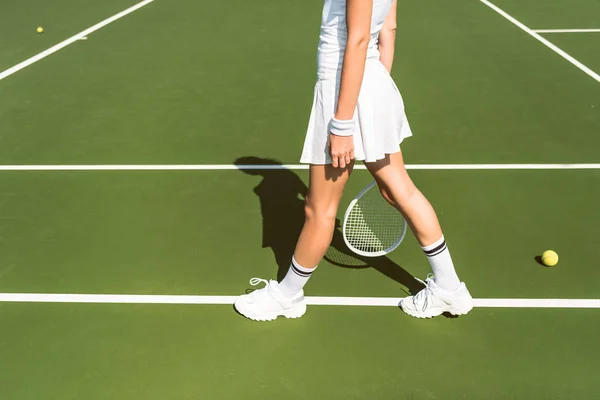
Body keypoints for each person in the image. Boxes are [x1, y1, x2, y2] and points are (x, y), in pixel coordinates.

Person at [234, 0, 473, 321]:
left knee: (319, 210)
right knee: (399, 190)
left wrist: (344, 124)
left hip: (341, 94)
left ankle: (287, 295)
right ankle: (449, 287)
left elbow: (359, 39)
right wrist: (371, 101)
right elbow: (387, 30)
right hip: (371, 85)